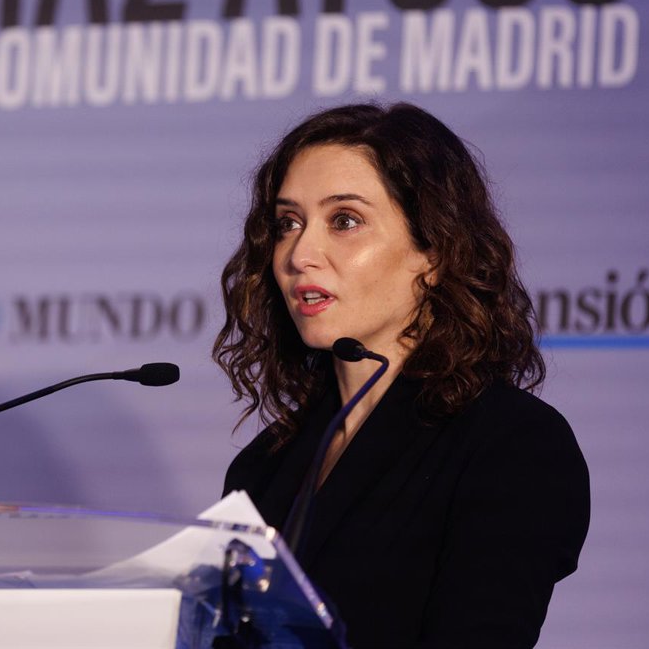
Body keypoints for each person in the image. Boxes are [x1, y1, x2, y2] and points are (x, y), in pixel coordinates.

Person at [215, 103, 589, 649]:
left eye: (345, 221)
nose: (300, 253)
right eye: (287, 223)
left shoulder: (512, 443)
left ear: (433, 251)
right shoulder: (263, 465)